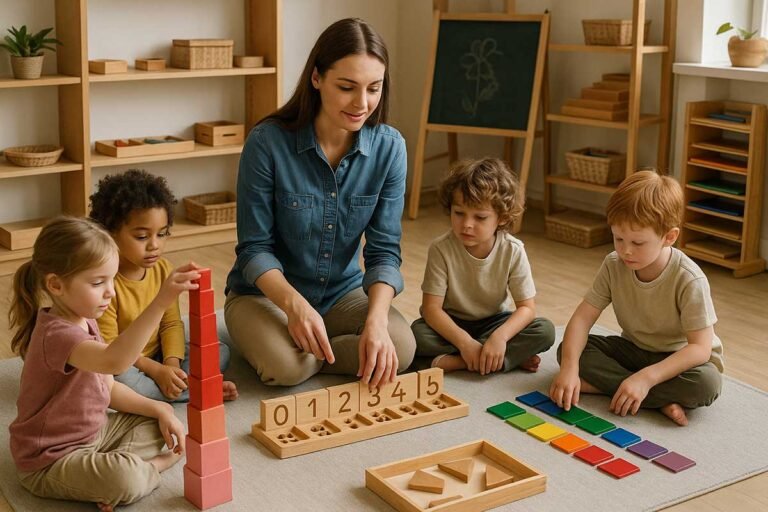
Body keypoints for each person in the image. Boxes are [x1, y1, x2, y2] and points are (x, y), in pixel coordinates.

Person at [225, 18, 415, 387]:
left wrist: (376, 321)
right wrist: (295, 307)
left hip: (342, 293)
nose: (362, 104)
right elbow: (254, 250)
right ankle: (299, 346)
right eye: (347, 87)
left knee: (402, 348)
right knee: (286, 368)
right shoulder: (266, 143)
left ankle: (312, 347)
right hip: (265, 296)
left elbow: (384, 251)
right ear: (316, 79)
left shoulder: (390, 148)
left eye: (374, 88)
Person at [8, 216, 200, 511]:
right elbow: (115, 362)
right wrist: (161, 301)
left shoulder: (85, 318)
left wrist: (159, 408)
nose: (110, 291)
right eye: (98, 282)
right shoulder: (57, 334)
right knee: (126, 480)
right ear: (56, 285)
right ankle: (148, 468)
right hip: (50, 459)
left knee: (157, 421)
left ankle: (107, 472)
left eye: (112, 279)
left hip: (94, 432)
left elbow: (108, 388)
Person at [549, 170, 723, 426]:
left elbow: (700, 348)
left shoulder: (689, 279)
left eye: (638, 243)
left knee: (707, 384)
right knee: (568, 350)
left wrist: (646, 378)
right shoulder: (613, 264)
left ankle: (623, 388)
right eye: (618, 238)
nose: (625, 250)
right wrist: (569, 369)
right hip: (634, 350)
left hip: (678, 359)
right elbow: (582, 320)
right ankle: (656, 399)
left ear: (669, 237)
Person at [90, 169, 237, 402]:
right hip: (125, 362)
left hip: (159, 355)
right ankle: (199, 390)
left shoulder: (162, 270)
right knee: (113, 380)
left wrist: (171, 365)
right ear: (110, 233)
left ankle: (180, 386)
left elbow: (170, 324)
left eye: (162, 234)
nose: (154, 245)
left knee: (220, 351)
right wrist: (157, 372)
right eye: (141, 237)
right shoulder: (103, 283)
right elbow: (111, 349)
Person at [411, 158, 555, 374]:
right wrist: (465, 343)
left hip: (494, 323)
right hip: (452, 324)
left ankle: (464, 360)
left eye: (480, 217)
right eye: (459, 213)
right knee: (416, 335)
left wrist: (500, 337)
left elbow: (527, 308)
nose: (467, 224)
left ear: (502, 218)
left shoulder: (513, 250)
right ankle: (498, 359)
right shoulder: (441, 249)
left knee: (545, 330)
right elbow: (432, 309)